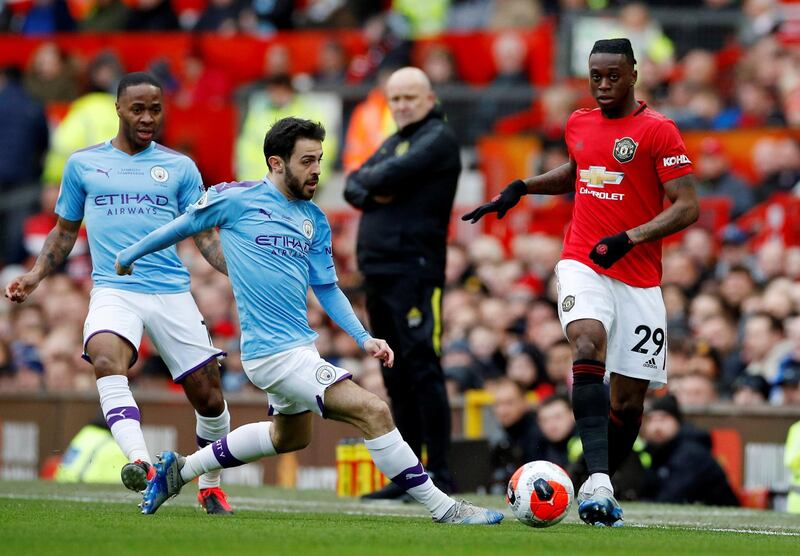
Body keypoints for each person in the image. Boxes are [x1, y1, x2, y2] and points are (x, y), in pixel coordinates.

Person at [115, 117, 502, 525]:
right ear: (276, 163)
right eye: (306, 160)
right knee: (374, 411)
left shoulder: (313, 219)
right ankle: (446, 508)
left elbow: (328, 288)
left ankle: (180, 470)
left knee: (289, 437)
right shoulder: (236, 199)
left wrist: (364, 337)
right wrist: (129, 256)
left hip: (300, 347)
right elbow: (182, 226)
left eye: (319, 159)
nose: (317, 169)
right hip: (272, 354)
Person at [462, 38, 700, 527]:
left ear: (634, 73)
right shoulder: (578, 122)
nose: (604, 84)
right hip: (584, 261)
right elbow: (578, 171)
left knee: (629, 403)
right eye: (596, 76)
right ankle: (597, 480)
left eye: (614, 75)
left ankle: (591, 484)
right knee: (586, 342)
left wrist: (630, 238)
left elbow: (687, 206)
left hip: (638, 277)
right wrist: (523, 187)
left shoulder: (659, 132)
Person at [5, 72, 235, 515]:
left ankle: (210, 483)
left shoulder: (181, 168)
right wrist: (35, 275)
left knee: (209, 397)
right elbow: (64, 231)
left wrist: (239, 273)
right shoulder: (83, 164)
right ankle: (144, 464)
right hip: (115, 288)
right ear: (118, 109)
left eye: (155, 109)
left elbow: (204, 237)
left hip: (170, 292)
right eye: (138, 109)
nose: (148, 118)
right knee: (107, 358)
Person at [344, 67, 460, 500]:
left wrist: (379, 182)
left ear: (430, 97)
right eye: (395, 99)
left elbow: (377, 178)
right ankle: (410, 474)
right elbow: (355, 184)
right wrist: (378, 183)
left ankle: (442, 473)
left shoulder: (437, 138)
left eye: (410, 97)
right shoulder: (395, 141)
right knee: (395, 371)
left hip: (415, 269)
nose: (402, 105)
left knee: (422, 365)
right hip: (379, 270)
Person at [640, 394, 739, 506]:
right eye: (651, 420)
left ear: (677, 422)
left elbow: (671, 498)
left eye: (663, 419)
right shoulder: (656, 451)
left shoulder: (691, 452)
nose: (656, 427)